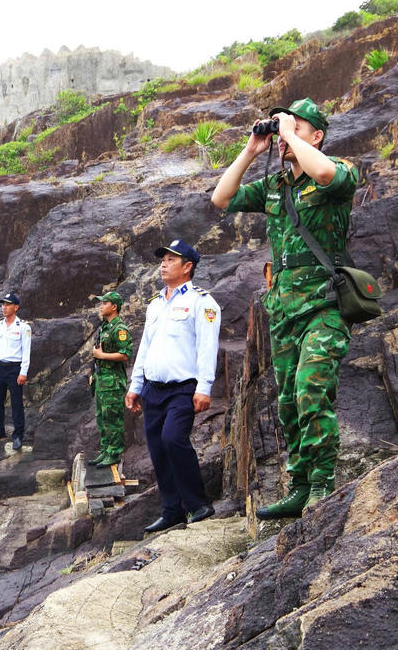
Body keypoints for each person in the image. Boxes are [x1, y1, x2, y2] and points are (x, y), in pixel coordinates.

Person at [210, 98, 358, 518]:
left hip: (325, 305)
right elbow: (221, 198)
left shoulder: (339, 171)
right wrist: (251, 150)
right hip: (284, 311)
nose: (284, 137)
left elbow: (325, 173)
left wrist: (290, 133)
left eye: (297, 127)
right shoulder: (275, 186)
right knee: (289, 403)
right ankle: (300, 485)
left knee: (311, 390)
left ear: (317, 136)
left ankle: (323, 482)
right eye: (282, 129)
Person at [125, 240, 222, 533]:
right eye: (162, 260)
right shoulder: (155, 303)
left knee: (173, 439)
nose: (163, 264)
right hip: (153, 388)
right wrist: (135, 385)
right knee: (157, 448)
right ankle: (171, 510)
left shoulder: (202, 302)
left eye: (170, 260)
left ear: (187, 266)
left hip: (183, 388)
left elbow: (208, 347)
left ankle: (198, 504)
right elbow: (146, 346)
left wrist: (204, 387)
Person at [0, 293, 32, 450]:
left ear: (16, 307)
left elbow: (26, 352)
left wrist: (23, 372)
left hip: (14, 368)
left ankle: (18, 435)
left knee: (16, 403)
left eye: (8, 304)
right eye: (3, 304)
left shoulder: (23, 327)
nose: (4, 307)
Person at [89, 291, 132, 468]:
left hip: (113, 381)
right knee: (102, 417)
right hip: (102, 378)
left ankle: (114, 453)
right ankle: (106, 450)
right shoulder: (105, 327)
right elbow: (97, 352)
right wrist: (93, 373)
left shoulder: (119, 329)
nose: (101, 306)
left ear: (114, 307)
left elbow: (125, 354)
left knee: (113, 418)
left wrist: (102, 355)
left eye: (105, 303)